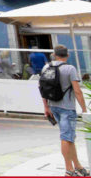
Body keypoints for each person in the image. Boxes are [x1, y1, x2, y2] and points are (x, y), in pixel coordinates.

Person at [41, 45, 89, 177]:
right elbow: (77, 91)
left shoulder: (46, 67)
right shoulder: (70, 69)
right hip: (67, 108)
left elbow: (42, 89)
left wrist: (46, 107)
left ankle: (77, 166)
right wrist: (84, 109)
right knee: (66, 137)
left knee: (70, 138)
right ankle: (69, 170)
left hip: (53, 106)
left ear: (54, 55)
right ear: (67, 56)